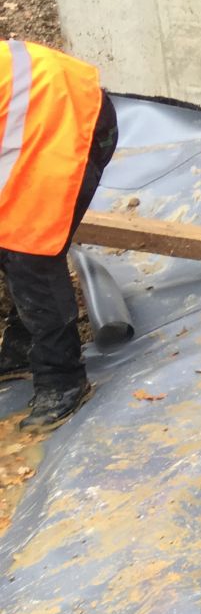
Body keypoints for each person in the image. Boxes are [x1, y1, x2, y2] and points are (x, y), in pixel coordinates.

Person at [0, 40, 118, 431]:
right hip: (39, 109)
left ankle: (62, 379)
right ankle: (23, 347)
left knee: (26, 249)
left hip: (68, 120)